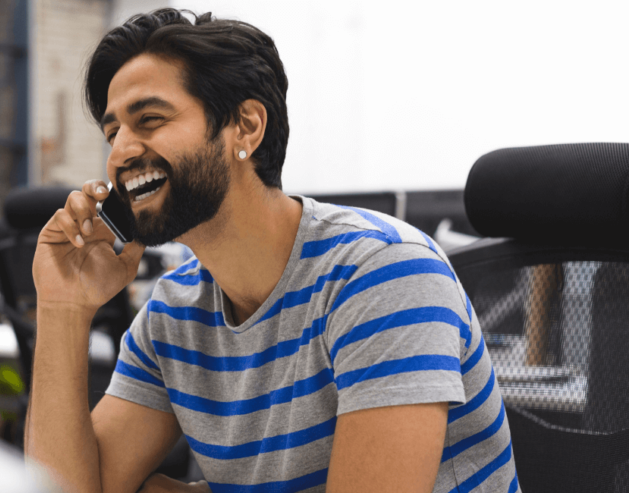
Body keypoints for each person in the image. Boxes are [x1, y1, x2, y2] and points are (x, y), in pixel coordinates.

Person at [26, 9, 517, 493]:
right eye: (113, 133)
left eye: (149, 119)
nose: (120, 153)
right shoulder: (171, 315)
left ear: (246, 126)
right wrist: (62, 308)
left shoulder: (384, 273)